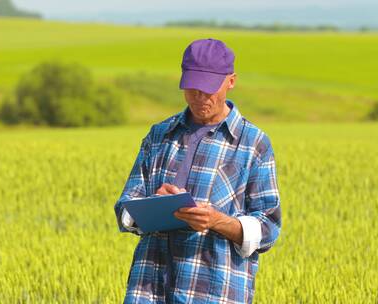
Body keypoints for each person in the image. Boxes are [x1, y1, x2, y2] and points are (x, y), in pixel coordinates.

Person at [114, 38, 282, 304]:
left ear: (231, 81)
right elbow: (125, 209)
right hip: (148, 290)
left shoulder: (253, 143)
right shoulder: (159, 135)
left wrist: (217, 221)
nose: (199, 96)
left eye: (208, 88)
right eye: (192, 88)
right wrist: (153, 207)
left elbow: (269, 228)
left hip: (214, 292)